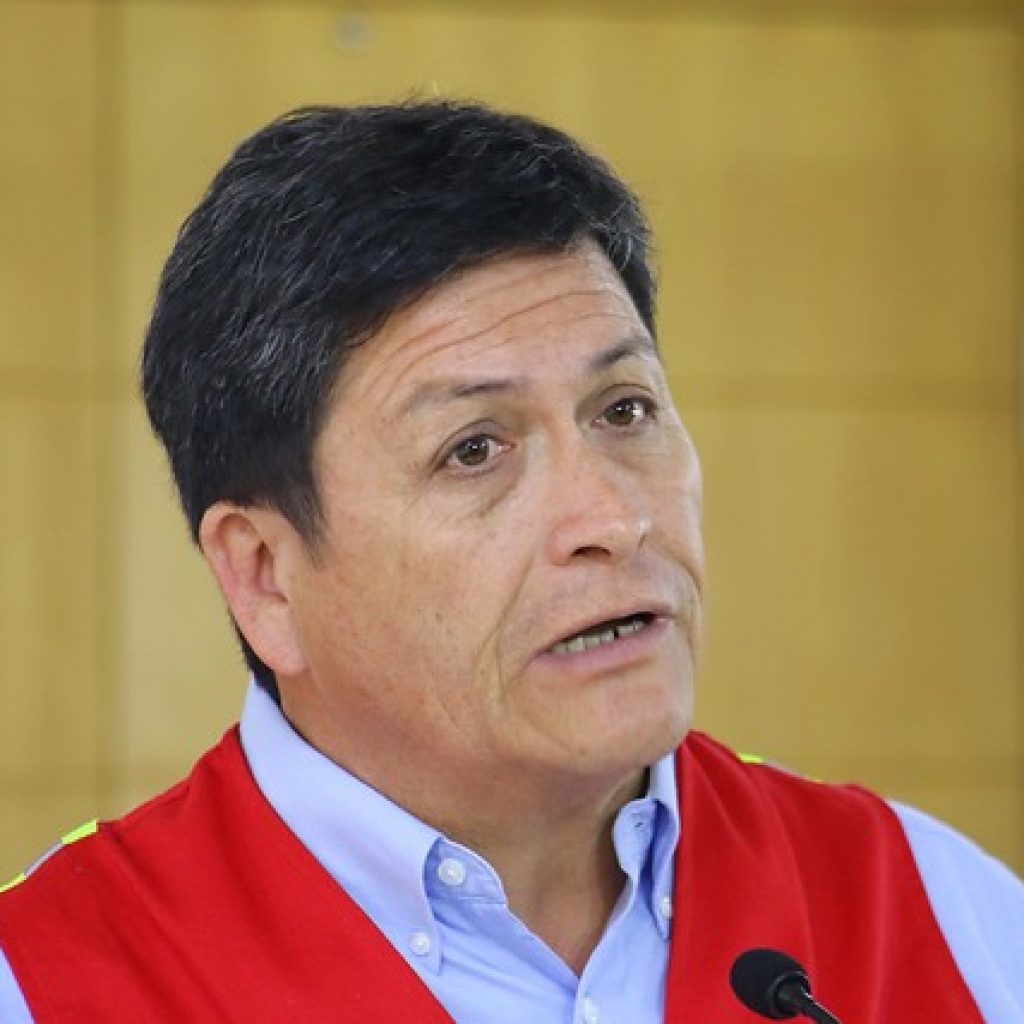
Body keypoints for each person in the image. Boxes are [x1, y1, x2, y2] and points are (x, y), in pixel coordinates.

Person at [0, 101, 1021, 1023]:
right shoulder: (48, 982)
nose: (614, 518)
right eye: (474, 450)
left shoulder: (940, 913)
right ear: (265, 574)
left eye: (625, 411)